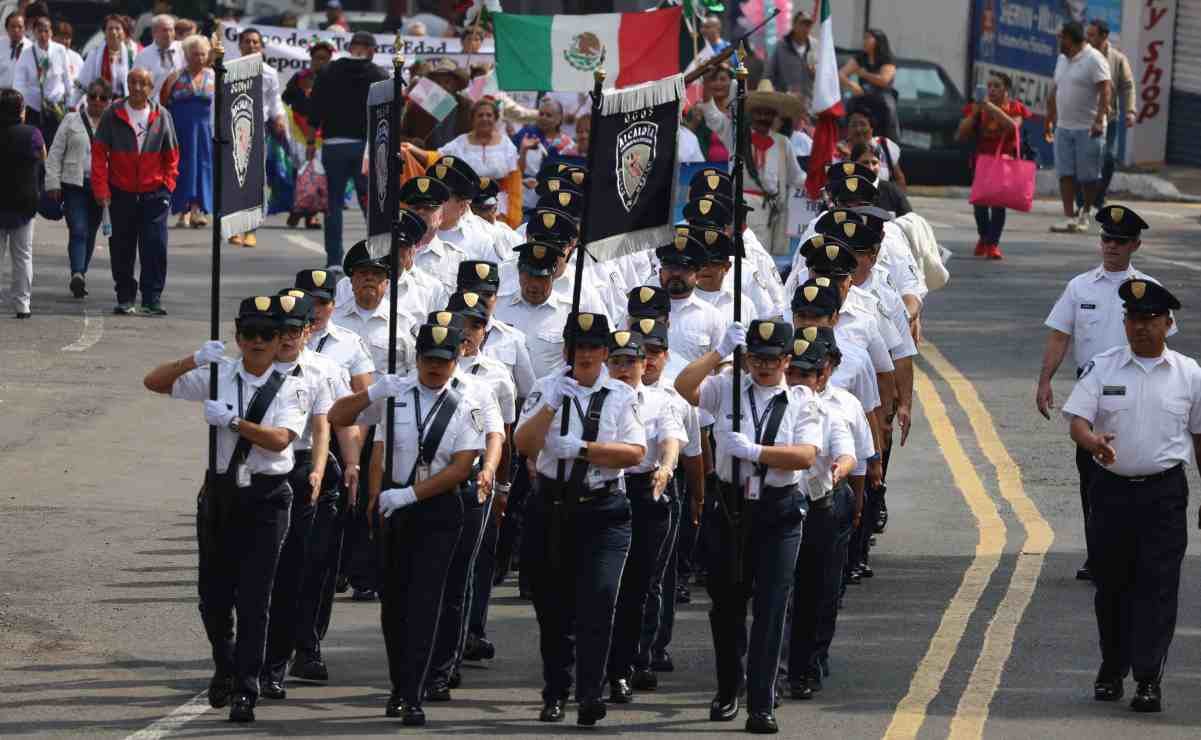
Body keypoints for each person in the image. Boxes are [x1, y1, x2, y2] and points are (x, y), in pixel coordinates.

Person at [141, 295, 308, 723]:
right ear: (237, 337)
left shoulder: (291, 384)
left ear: (278, 341)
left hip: (267, 498)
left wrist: (233, 423)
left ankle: (246, 689)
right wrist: (192, 358)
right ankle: (226, 665)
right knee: (213, 599)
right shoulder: (218, 375)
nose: (257, 342)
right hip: (219, 497)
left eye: (266, 335)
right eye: (249, 333)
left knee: (254, 598)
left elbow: (280, 439)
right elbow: (153, 382)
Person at [674, 318, 822, 733]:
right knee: (726, 607)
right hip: (730, 506)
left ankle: (762, 702)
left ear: (787, 361)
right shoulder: (726, 389)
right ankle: (728, 689)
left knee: (772, 607)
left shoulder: (801, 401)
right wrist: (718, 352)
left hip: (777, 510)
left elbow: (806, 455)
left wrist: (756, 450)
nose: (763, 367)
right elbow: (684, 389)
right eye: (755, 358)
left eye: (772, 360)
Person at [1061, 278, 1200, 714]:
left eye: (1149, 320)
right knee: (1113, 587)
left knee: (1158, 588)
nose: (1140, 328)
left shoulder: (1189, 374)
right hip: (1112, 492)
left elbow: (1199, 437)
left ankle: (1147, 680)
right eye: (1133, 320)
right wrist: (1091, 442)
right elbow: (1077, 421)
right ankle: (1112, 665)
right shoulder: (1103, 367)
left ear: (1168, 323)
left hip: (1164, 494)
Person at [514, 311, 645, 726]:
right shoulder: (546, 387)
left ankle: (590, 693)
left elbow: (634, 452)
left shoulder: (622, 395)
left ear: (606, 352)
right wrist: (552, 405)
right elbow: (524, 444)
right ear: (567, 350)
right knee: (553, 608)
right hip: (552, 507)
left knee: (599, 599)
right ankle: (556, 690)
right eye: (577, 346)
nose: (585, 354)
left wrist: (584, 449)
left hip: (604, 509)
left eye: (592, 347)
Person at [1037, 205, 1178, 581]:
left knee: (1140, 468)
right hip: (1093, 389)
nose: (1111, 246)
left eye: (1119, 241)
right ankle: (1098, 553)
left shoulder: (1150, 292)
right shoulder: (1079, 287)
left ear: (1135, 245)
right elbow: (1059, 335)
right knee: (1094, 475)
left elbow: (1167, 344)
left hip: (1141, 386)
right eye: (1106, 239)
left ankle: (1136, 551)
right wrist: (1045, 380)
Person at [424, 296, 512, 699]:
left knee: (458, 579)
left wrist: (493, 475)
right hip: (415, 491)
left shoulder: (483, 384)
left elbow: (497, 434)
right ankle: (417, 661)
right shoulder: (405, 387)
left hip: (466, 488)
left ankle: (446, 663)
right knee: (417, 584)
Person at [259, 292, 342, 701]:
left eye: (295, 330)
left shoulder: (321, 371)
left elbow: (328, 425)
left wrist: (323, 470)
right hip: (256, 471)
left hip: (304, 466)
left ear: (308, 332)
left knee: (300, 571)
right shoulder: (254, 368)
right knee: (256, 575)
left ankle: (289, 656)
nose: (287, 339)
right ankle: (246, 659)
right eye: (280, 331)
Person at [288, 268, 369, 685]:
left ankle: (308, 645)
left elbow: (344, 420)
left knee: (317, 562)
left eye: (322, 302)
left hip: (320, 467)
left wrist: (353, 463)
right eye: (308, 301)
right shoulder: (265, 349)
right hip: (273, 465)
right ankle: (270, 643)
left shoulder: (333, 358)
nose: (316, 310)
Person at [92, 66, 179, 317]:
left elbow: (172, 156)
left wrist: (167, 187)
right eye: (133, 82)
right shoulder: (113, 114)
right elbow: (99, 155)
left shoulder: (162, 115)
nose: (137, 87)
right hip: (121, 193)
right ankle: (125, 297)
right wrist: (101, 188)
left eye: (143, 83)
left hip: (154, 194)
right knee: (121, 248)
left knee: (155, 247)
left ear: (151, 88)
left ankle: (152, 298)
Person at [306, 30, 387, 271]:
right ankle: (378, 254)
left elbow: (314, 112)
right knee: (371, 205)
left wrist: (311, 144)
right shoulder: (380, 75)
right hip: (367, 150)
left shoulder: (328, 71)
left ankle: (333, 260)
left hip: (334, 147)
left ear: (350, 47)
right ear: (372, 50)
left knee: (333, 205)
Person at [46, 78, 110, 299]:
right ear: (87, 97)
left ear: (108, 101)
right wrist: (52, 182)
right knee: (79, 229)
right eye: (93, 96)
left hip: (99, 187)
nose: (97, 101)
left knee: (90, 232)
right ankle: (77, 273)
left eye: (103, 98)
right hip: (74, 184)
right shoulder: (71, 120)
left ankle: (81, 273)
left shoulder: (112, 124)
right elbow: (55, 152)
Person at [956, 71, 1031, 259]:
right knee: (980, 202)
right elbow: (961, 133)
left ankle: (993, 243)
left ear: (1006, 89)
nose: (992, 90)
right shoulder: (977, 108)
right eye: (989, 86)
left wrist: (989, 107)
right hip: (982, 161)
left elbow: (1012, 126)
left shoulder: (1015, 107)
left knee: (998, 203)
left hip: (1004, 160)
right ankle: (983, 236)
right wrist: (975, 113)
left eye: (997, 86)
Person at [409, 98, 520, 222]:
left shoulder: (506, 144)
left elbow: (514, 180)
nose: (485, 118)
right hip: (467, 205)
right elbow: (439, 158)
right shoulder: (461, 142)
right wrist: (412, 149)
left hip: (498, 207)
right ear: (472, 119)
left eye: (489, 115)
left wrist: (511, 212)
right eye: (480, 115)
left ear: (495, 118)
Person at [1047, 21, 1111, 234]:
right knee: (1065, 173)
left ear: (1071, 39)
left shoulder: (1094, 59)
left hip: (1088, 128)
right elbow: (1055, 89)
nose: (1059, 42)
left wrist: (1099, 119)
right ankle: (1069, 217)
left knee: (1088, 176)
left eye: (1061, 38)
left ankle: (1084, 213)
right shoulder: (1061, 60)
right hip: (1064, 126)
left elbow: (1105, 90)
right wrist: (1049, 117)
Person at [230, 27, 286, 248]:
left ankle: (250, 229)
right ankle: (233, 228)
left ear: (261, 47)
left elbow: (274, 102)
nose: (251, 45)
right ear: (240, 45)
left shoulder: (269, 73)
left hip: (258, 130)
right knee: (235, 180)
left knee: (255, 181)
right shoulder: (230, 71)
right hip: (233, 131)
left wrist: (280, 118)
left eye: (255, 42)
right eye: (247, 42)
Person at [742, 81, 804, 256]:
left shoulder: (783, 142)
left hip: (770, 210)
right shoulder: (738, 138)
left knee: (763, 258)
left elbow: (796, 177)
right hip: (742, 206)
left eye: (768, 113)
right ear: (751, 114)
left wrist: (820, 179)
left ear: (775, 116)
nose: (763, 117)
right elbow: (715, 119)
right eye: (759, 112)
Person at [1080, 19, 1136, 212]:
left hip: (1108, 119)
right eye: (1087, 34)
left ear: (1104, 37)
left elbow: (1128, 86)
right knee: (1084, 159)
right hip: (1084, 117)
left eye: (1092, 35)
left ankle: (1099, 196)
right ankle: (1083, 200)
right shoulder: (1081, 56)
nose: (1088, 39)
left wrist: (1130, 111)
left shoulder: (1118, 59)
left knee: (1109, 158)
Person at [160, 33, 213, 229]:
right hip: (181, 130)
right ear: (186, 55)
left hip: (204, 131)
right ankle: (183, 211)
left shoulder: (214, 76)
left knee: (203, 168)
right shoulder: (175, 77)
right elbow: (163, 103)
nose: (198, 58)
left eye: (202, 54)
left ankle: (198, 209)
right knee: (182, 168)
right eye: (194, 54)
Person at [282, 39, 335, 230]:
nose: (321, 62)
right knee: (300, 172)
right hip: (299, 131)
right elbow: (285, 99)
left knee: (318, 174)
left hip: (322, 132)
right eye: (318, 58)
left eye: (325, 59)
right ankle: (297, 209)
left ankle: (311, 214)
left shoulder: (333, 79)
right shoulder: (300, 77)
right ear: (311, 58)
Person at [0, 87, 43, 319]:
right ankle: (22, 304)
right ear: (20, 111)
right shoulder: (32, 134)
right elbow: (42, 156)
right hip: (24, 203)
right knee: (23, 255)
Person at [13, 15, 73, 143]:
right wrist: (21, 106)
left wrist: (71, 104)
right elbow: (19, 83)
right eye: (39, 31)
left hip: (56, 108)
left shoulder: (60, 50)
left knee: (57, 144)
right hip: (34, 110)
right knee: (36, 144)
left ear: (51, 32)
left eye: (46, 31)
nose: (43, 35)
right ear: (33, 33)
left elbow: (68, 79)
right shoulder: (26, 53)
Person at [513, 98, 574, 213]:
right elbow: (511, 166)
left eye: (548, 115)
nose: (543, 118)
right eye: (541, 114)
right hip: (522, 200)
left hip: (550, 205)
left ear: (559, 118)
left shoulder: (568, 144)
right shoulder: (526, 134)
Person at [838, 29, 899, 142]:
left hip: (882, 98)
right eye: (864, 38)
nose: (864, 41)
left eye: (868, 38)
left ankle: (889, 138)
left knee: (889, 108)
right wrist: (851, 85)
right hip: (864, 96)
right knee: (849, 105)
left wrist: (864, 74)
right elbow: (841, 74)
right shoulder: (860, 57)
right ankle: (846, 138)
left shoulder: (887, 58)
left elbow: (884, 80)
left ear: (878, 41)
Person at [838, 97, 904, 187]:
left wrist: (898, 199)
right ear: (847, 129)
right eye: (854, 125)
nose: (858, 129)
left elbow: (899, 179)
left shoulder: (885, 146)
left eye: (863, 124)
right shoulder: (837, 152)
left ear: (872, 128)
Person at [77, 15, 137, 100]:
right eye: (110, 28)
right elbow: (83, 83)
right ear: (104, 32)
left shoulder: (132, 55)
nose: (114, 32)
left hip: (125, 103)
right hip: (101, 102)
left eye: (117, 28)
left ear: (124, 32)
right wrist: (73, 105)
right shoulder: (94, 54)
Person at [847, 143, 910, 217]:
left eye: (874, 163)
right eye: (865, 162)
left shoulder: (893, 191)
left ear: (880, 164)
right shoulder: (842, 191)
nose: (870, 168)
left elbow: (910, 220)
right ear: (853, 164)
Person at [133, 14, 184, 99]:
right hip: (155, 106)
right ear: (154, 33)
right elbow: (136, 83)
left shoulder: (183, 49)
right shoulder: (144, 55)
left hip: (180, 104)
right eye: (164, 30)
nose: (168, 34)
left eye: (171, 30)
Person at [769, 11, 817, 100]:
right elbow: (769, 75)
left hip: (808, 103)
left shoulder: (815, 47)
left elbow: (823, 77)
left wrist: (815, 72)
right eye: (802, 24)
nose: (806, 29)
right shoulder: (781, 47)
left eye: (808, 25)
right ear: (794, 25)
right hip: (785, 102)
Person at [52, 21, 82, 108]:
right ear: (53, 38)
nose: (64, 41)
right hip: (52, 105)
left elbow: (82, 84)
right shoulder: (47, 56)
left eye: (68, 38)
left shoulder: (77, 58)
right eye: (61, 37)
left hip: (72, 105)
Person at [0, 12, 30, 91]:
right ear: (6, 28)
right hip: (2, 94)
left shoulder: (31, 48)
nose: (16, 30)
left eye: (20, 27)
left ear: (25, 28)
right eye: (12, 27)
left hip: (23, 95)